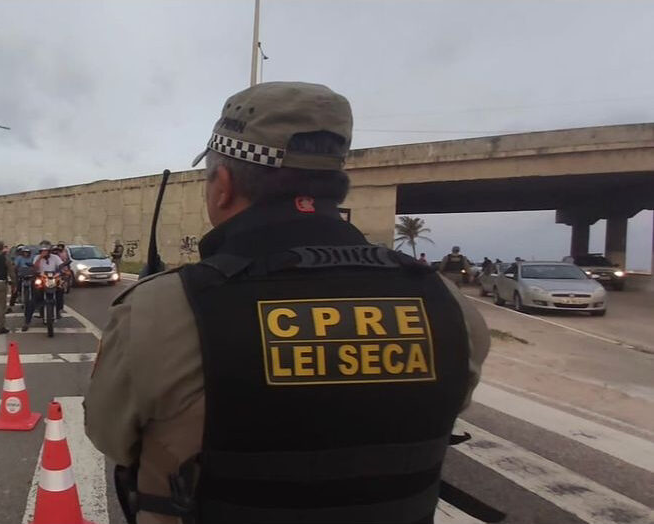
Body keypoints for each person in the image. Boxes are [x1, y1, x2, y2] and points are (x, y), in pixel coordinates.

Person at [85, 82, 490, 524]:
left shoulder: (160, 309)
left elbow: (110, 436)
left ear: (222, 186)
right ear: (335, 186)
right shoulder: (447, 304)